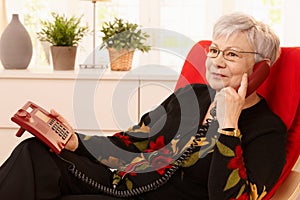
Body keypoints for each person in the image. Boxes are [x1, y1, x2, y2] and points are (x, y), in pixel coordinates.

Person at [0, 12, 286, 200]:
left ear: (260, 68)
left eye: (232, 54)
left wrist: (228, 126)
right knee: (35, 151)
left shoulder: (267, 130)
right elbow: (131, 142)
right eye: (214, 50)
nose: (217, 61)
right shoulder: (191, 96)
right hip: (124, 186)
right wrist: (75, 140)